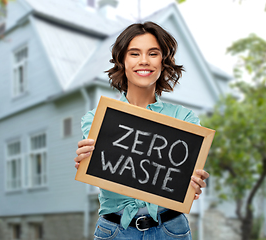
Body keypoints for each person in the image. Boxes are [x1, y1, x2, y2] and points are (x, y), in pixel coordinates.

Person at [74, 21, 209, 240]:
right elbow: (103, 169)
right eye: (134, 53)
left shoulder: (185, 119)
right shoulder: (96, 119)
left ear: (163, 62)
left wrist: (192, 183)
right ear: (123, 61)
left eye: (153, 53)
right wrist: (87, 161)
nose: (144, 61)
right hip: (114, 231)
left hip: (171, 229)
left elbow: (185, 177)